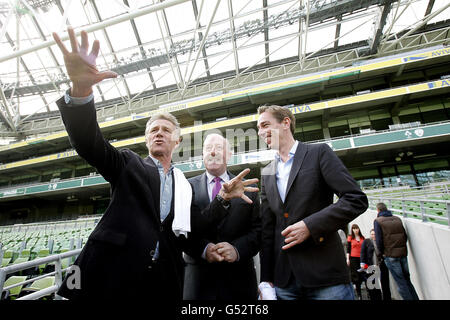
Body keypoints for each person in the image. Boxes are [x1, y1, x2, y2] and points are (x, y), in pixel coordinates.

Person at [52, 28, 259, 300]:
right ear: (148, 139)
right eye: (153, 130)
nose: (159, 133)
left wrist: (222, 198)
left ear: (177, 141)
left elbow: (199, 225)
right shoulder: (128, 164)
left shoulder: (183, 184)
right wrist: (81, 90)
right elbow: (89, 143)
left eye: (165, 129)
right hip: (114, 277)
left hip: (162, 281)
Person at [256, 105, 368, 300]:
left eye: (265, 125)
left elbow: (355, 199)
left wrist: (310, 226)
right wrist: (266, 279)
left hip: (326, 277)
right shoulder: (266, 172)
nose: (260, 132)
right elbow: (268, 229)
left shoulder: (318, 153)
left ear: (285, 123)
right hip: (284, 282)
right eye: (258, 128)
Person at [183, 133, 261, 300]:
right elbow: (182, 231)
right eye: (208, 148)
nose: (213, 152)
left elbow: (259, 231)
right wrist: (203, 249)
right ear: (202, 155)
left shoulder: (250, 189)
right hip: (198, 282)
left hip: (239, 283)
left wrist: (237, 249)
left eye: (219, 148)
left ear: (230, 155)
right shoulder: (185, 187)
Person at [374, 202, 419, 300]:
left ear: (378, 210)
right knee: (407, 280)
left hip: (390, 256)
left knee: (401, 283)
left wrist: (381, 254)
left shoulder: (378, 221)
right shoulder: (397, 219)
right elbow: (405, 236)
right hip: (402, 254)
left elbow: (379, 241)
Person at [360, 229, 382, 300]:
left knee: (376, 284)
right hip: (369, 265)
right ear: (370, 235)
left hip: (378, 265)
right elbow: (362, 253)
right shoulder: (366, 241)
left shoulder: (379, 242)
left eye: (375, 234)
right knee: (371, 283)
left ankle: (378, 298)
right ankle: (372, 297)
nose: (373, 236)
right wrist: (362, 263)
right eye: (372, 234)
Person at [346, 224, 365, 300]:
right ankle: (359, 294)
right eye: (354, 229)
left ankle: (365, 291)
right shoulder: (350, 237)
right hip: (353, 259)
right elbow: (348, 249)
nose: (355, 230)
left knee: (362, 275)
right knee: (356, 276)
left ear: (359, 229)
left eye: (357, 228)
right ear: (352, 230)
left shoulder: (362, 237)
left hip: (362, 259)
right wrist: (347, 259)